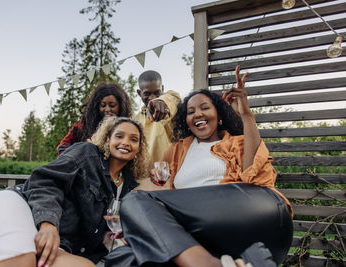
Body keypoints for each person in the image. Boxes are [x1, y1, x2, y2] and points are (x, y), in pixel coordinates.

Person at [105, 66, 293, 267]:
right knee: (122, 256)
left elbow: (255, 179)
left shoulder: (236, 142)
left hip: (255, 214)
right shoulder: (177, 150)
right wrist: (132, 216)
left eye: (205, 108)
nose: (198, 114)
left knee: (135, 201)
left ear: (218, 114)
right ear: (186, 120)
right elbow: (155, 186)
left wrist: (246, 115)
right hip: (204, 231)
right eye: (191, 111)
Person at [0, 117, 148, 267]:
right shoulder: (86, 153)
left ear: (139, 148)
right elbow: (45, 181)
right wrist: (48, 224)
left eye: (134, 139)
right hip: (23, 205)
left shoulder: (128, 186)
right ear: (107, 139)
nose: (125, 143)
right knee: (20, 260)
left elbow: (105, 229)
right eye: (119, 136)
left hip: (63, 244)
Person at [56, 82, 132, 155]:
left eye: (112, 106)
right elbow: (62, 145)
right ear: (96, 106)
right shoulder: (83, 124)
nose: (107, 109)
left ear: (121, 107)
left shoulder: (126, 128)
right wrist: (76, 157)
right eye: (103, 105)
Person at [135, 70, 181, 167]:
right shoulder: (135, 119)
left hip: (168, 174)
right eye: (147, 93)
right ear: (139, 93)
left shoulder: (168, 107)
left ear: (162, 89)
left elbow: (174, 97)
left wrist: (162, 101)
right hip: (143, 176)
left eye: (157, 92)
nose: (152, 98)